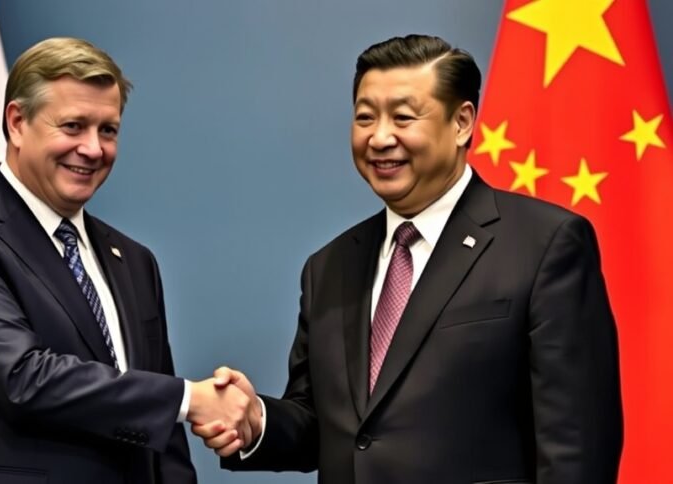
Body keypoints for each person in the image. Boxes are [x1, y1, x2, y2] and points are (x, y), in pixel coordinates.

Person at [194, 34, 623, 483]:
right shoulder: (329, 267)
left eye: (402, 117)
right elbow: (330, 428)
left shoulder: (543, 244)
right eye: (364, 118)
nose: (379, 138)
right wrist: (256, 420)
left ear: (461, 123)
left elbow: (577, 447)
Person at [0, 37, 252, 484]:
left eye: (108, 130)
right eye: (72, 126)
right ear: (18, 122)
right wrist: (188, 399)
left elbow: (162, 443)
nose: (93, 149)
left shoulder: (135, 260)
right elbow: (23, 378)